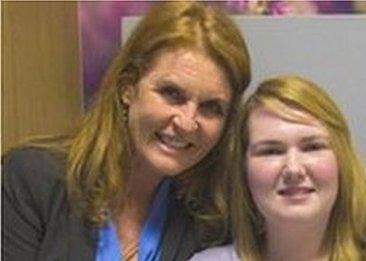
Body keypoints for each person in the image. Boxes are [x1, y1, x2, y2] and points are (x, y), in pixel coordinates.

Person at [2, 2, 250, 260]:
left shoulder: (213, 216)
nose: (187, 122)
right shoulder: (33, 178)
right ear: (127, 87)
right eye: (171, 94)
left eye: (211, 108)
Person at [190, 75, 366, 261]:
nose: (293, 169)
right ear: (243, 172)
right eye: (271, 151)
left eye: (312, 147)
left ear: (341, 161)